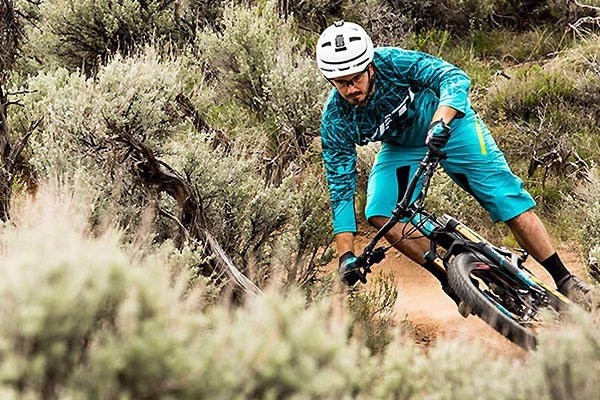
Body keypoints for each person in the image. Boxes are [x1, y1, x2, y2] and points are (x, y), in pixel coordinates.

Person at [316, 20, 591, 304]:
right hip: (402, 148)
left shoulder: (393, 62)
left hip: (451, 125)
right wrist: (346, 257)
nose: (350, 89)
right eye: (341, 83)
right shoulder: (335, 120)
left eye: (356, 79)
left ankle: (565, 279)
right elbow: (341, 188)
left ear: (370, 66)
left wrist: (440, 122)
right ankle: (451, 280)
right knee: (379, 210)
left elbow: (452, 76)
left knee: (506, 200)